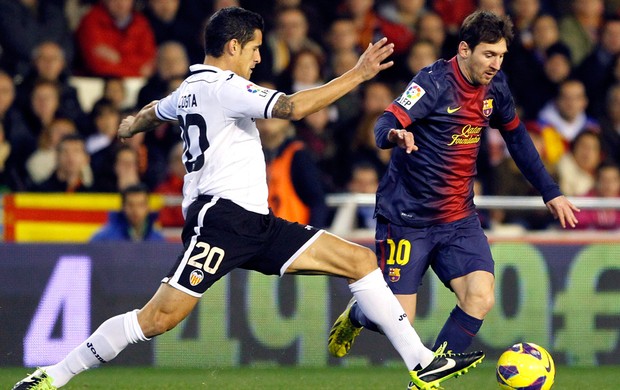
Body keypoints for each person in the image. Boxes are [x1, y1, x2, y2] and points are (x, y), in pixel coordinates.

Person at [11, 7, 483, 390]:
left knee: (360, 262)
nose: (259, 57)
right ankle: (53, 375)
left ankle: (421, 361)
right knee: (156, 319)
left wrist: (132, 123)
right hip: (221, 221)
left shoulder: (190, 88)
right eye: (255, 48)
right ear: (233, 47)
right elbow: (294, 108)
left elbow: (159, 110)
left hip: (253, 223)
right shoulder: (225, 86)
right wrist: (358, 74)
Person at [328, 10, 579, 364]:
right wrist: (395, 135)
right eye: (488, 54)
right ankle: (359, 314)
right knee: (399, 319)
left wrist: (550, 191)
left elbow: (517, 138)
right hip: (407, 217)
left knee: (480, 295)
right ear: (464, 49)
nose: (496, 64)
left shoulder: (497, 87)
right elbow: (384, 121)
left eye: (501, 55)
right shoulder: (433, 83)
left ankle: (431, 376)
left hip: (457, 218)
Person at [91, 183, 165, 241]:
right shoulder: (104, 238)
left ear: (148, 207)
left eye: (140, 205)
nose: (135, 210)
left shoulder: (158, 240)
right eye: (130, 205)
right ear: (123, 207)